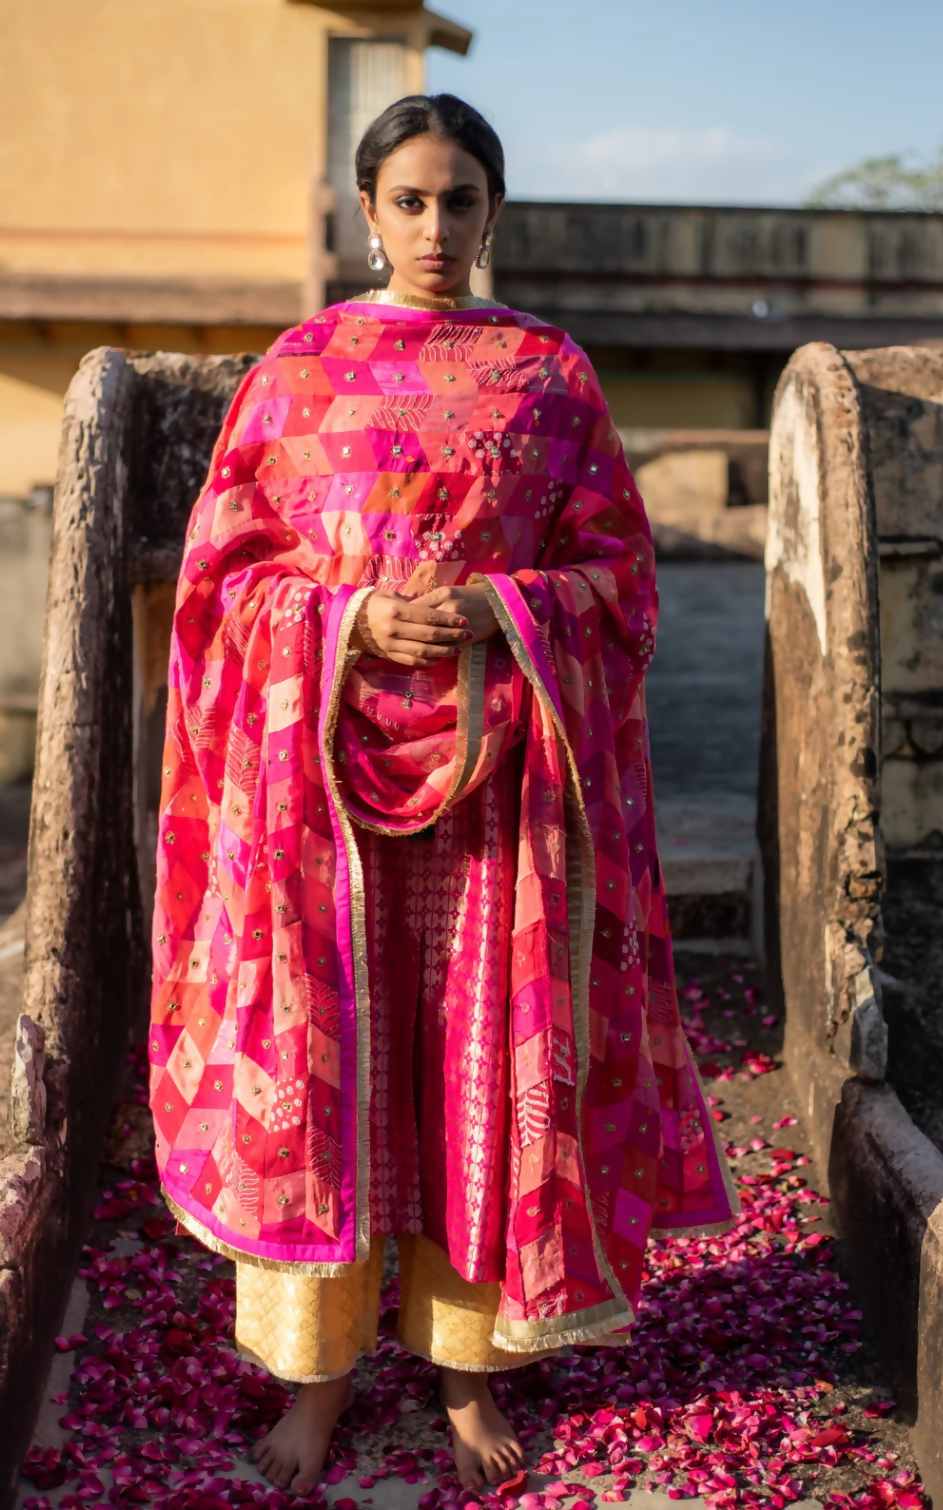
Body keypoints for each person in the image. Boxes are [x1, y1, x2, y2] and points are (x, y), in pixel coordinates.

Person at [149, 93, 737, 1499]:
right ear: (367, 213)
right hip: (321, 799)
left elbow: (623, 583)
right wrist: (346, 621)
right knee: (331, 1067)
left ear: (493, 211)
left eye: (459, 199)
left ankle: (472, 1370)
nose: (434, 225)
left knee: (482, 1070)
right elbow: (225, 585)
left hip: (502, 793)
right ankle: (321, 1376)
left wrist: (494, 609)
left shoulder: (548, 376)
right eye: (408, 199)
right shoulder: (296, 374)